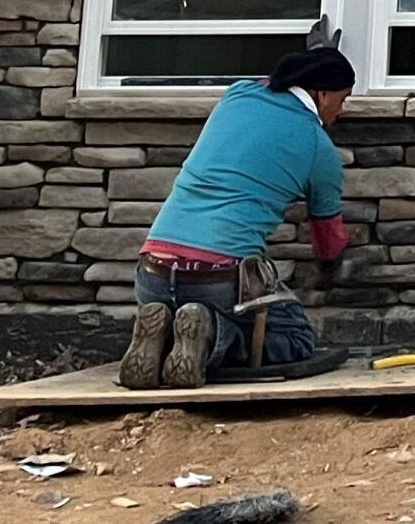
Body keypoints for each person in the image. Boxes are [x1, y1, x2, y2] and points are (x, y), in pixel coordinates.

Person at [118, 39, 353, 388]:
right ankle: (210, 336)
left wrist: (307, 56)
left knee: (179, 307)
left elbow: (267, 81)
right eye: (343, 98)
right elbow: (328, 237)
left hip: (153, 267)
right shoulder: (320, 148)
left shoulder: (237, 96)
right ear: (321, 94)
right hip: (219, 278)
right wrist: (332, 268)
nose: (342, 109)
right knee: (296, 337)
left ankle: (163, 334)